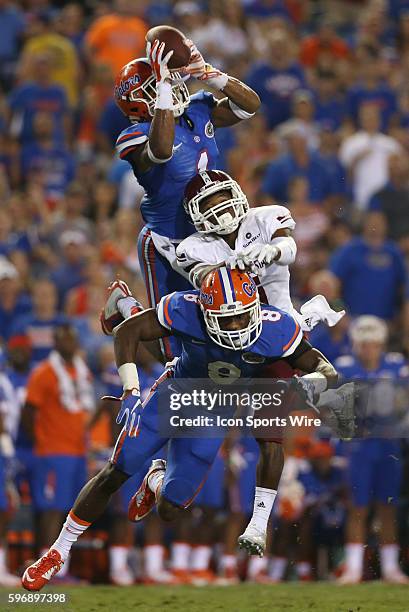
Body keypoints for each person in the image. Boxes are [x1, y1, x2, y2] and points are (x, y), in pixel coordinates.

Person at [22, 268, 341, 590]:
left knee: (171, 509)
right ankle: (57, 551)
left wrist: (303, 388)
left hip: (214, 415)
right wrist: (131, 389)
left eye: (241, 317)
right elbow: (128, 333)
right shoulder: (185, 308)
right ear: (204, 309)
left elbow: (327, 372)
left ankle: (155, 479)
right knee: (116, 471)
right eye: (225, 318)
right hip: (174, 395)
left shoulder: (276, 329)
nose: (233, 326)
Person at [114, 36, 260, 360]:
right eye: (155, 87)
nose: (169, 87)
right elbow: (162, 149)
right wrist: (164, 86)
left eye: (165, 82)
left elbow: (250, 106)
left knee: (226, 320)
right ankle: (123, 306)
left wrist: (210, 73)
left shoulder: (197, 108)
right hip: (168, 242)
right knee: (172, 349)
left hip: (213, 233)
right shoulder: (134, 136)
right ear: (138, 102)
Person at [175, 170, 344, 336]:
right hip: (230, 331)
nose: (219, 209)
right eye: (209, 206)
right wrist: (227, 267)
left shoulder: (263, 218)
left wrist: (273, 250)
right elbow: (199, 277)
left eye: (222, 200)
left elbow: (289, 248)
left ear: (236, 196)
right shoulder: (192, 247)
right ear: (196, 213)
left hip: (282, 324)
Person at [335, 316, 409, 584]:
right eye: (364, 344)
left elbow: (403, 405)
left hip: (389, 444)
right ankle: (353, 567)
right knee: (358, 507)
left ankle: (391, 568)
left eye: (373, 344)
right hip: (359, 446)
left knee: (387, 506)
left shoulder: (396, 365)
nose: (368, 349)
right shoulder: (346, 367)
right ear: (356, 344)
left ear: (381, 344)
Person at [20, 323, 95, 576]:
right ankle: (43, 567)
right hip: (52, 451)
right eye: (64, 340)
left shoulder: (82, 372)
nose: (69, 344)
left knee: (67, 510)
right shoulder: (44, 373)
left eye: (72, 340)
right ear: (56, 343)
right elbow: (28, 411)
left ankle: (61, 569)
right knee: (50, 510)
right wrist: (41, 441)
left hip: (77, 452)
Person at [329, 211, 406, 321]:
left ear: (386, 226)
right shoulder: (349, 250)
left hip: (386, 320)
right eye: (372, 222)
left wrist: (400, 318)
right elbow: (333, 283)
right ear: (364, 224)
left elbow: (403, 286)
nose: (376, 226)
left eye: (379, 222)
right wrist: (340, 313)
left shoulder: (393, 252)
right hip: (354, 319)